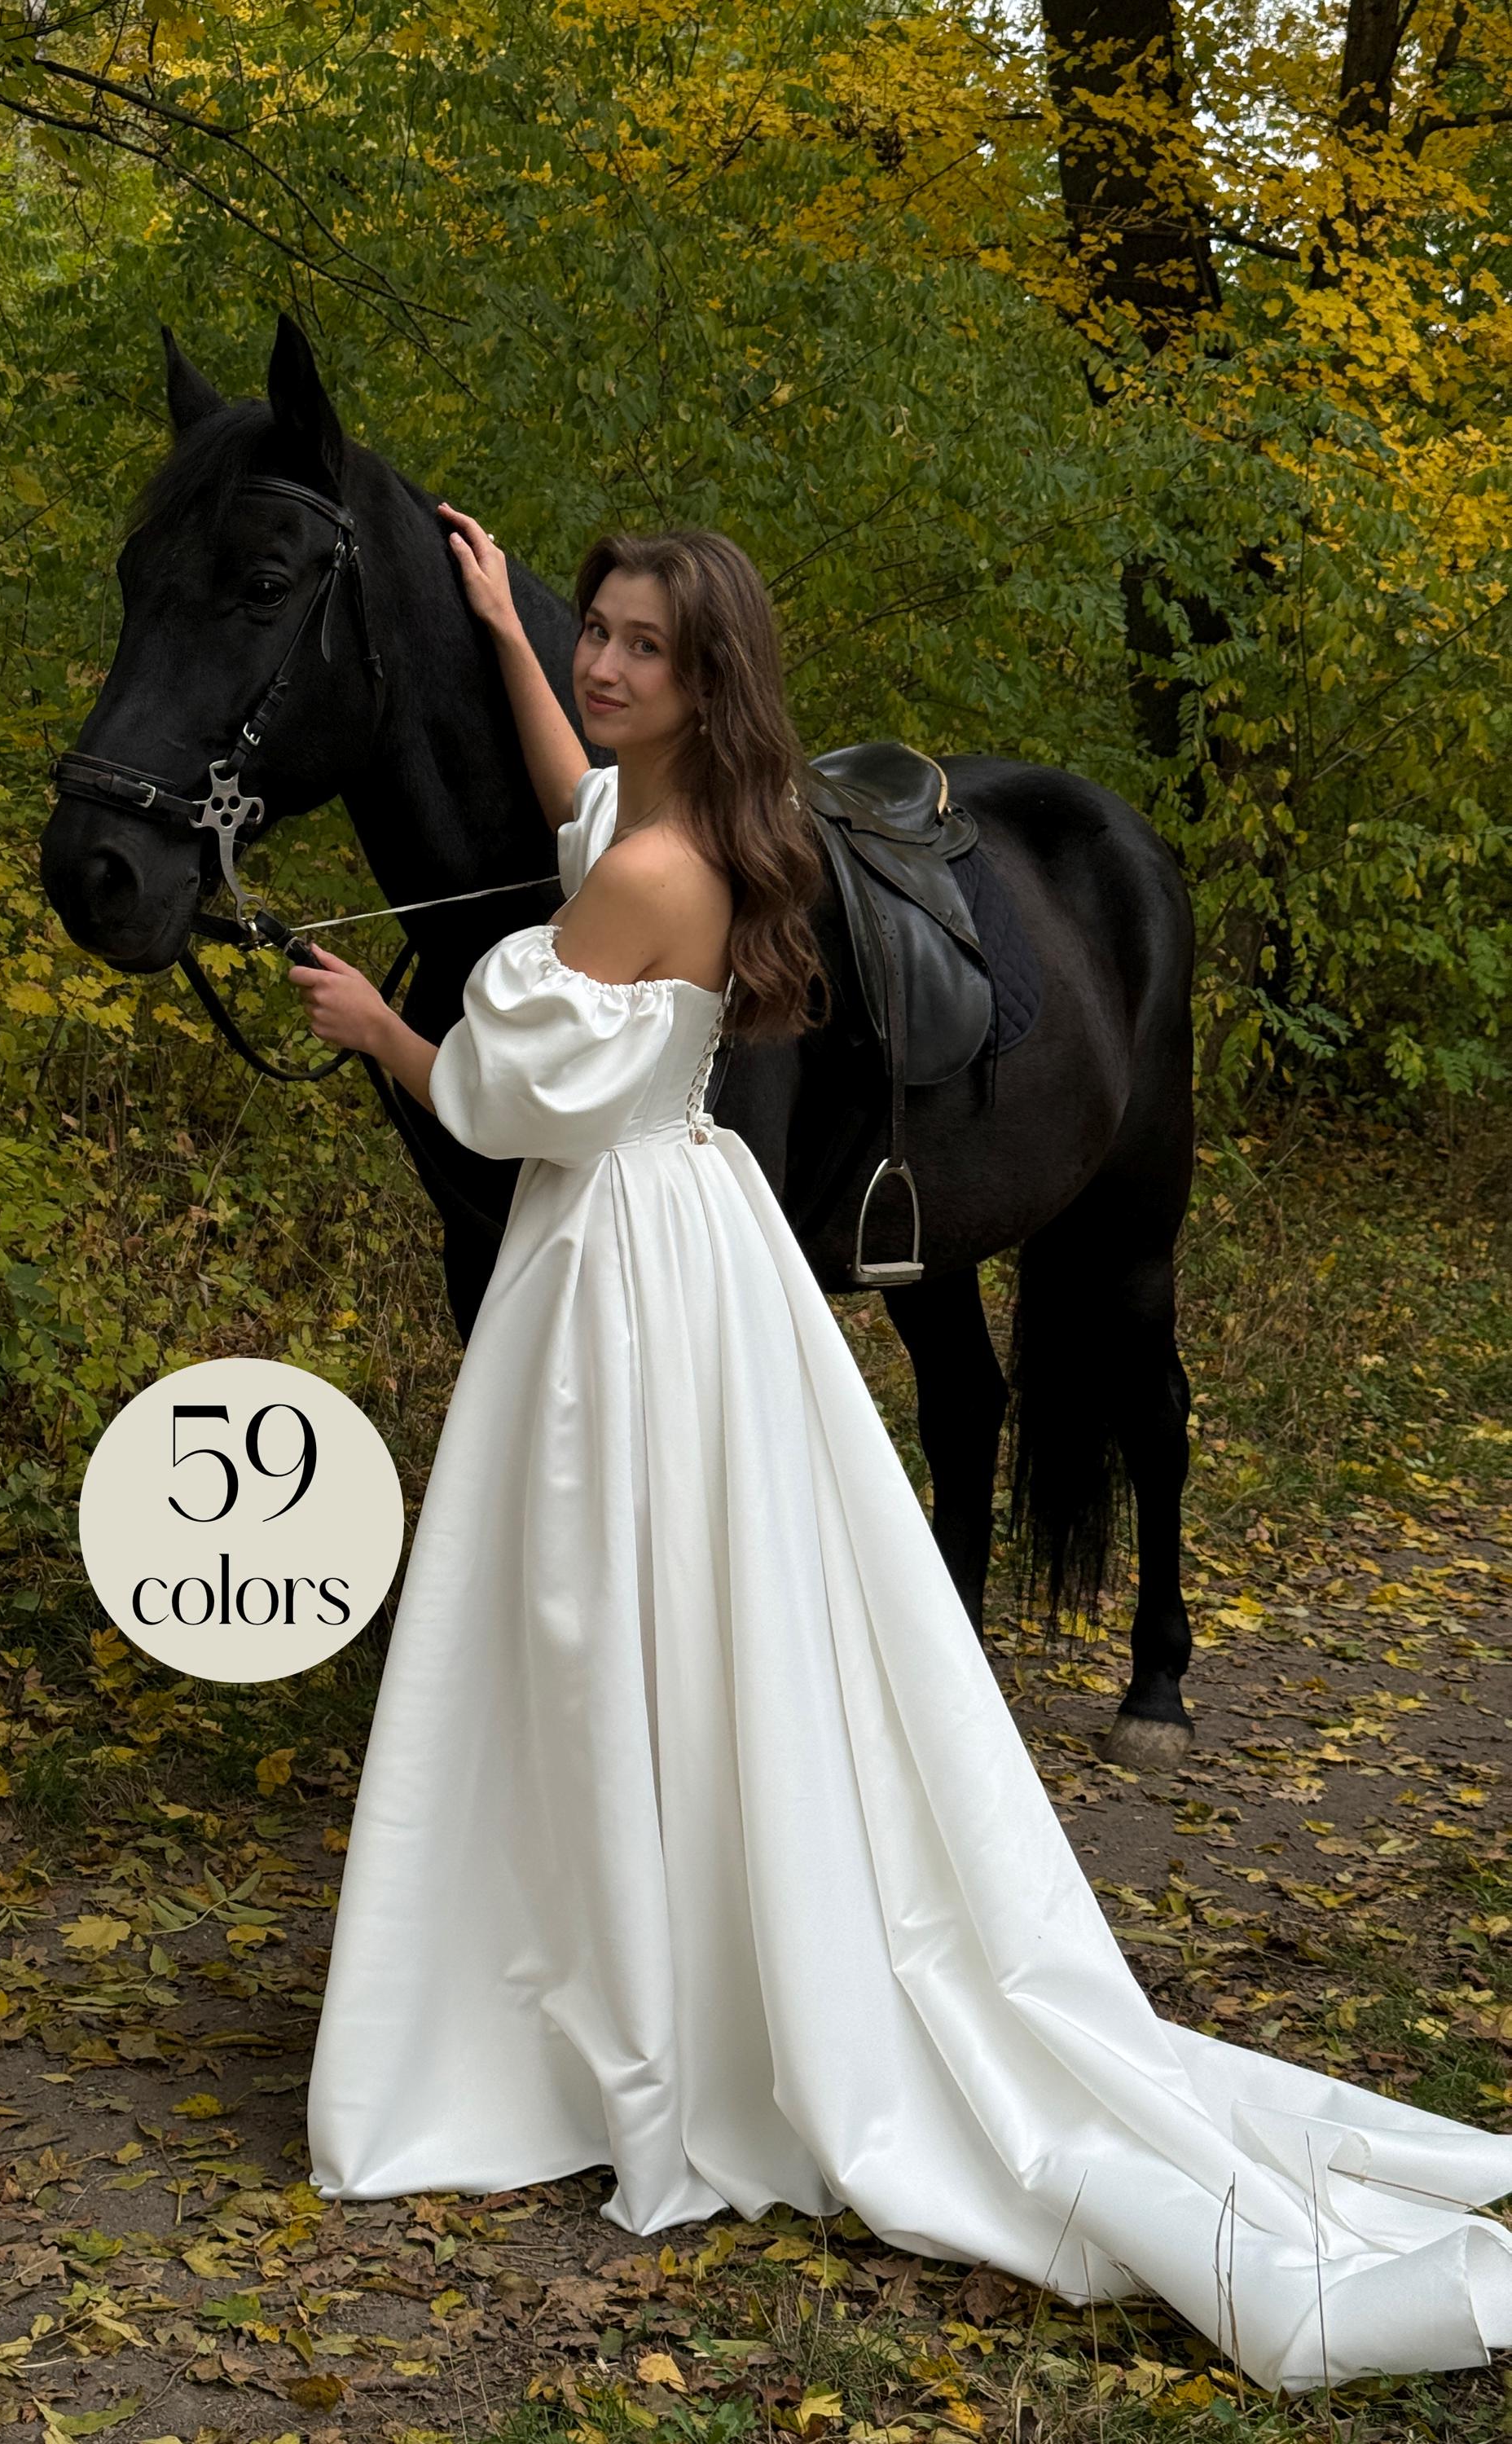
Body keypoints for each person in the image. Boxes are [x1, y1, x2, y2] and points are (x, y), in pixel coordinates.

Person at [285, 508, 1512, 2395]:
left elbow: (502, 1096)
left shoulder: (655, 881)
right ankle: (641, 1944)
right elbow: (579, 821)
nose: (605, 667)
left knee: (598, 1606)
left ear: (708, 683)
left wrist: (384, 1025)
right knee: (660, 1610)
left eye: (638, 651)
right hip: (690, 1241)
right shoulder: (694, 833)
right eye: (594, 635)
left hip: (612, 1259)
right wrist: (502, 635)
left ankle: (622, 1994)